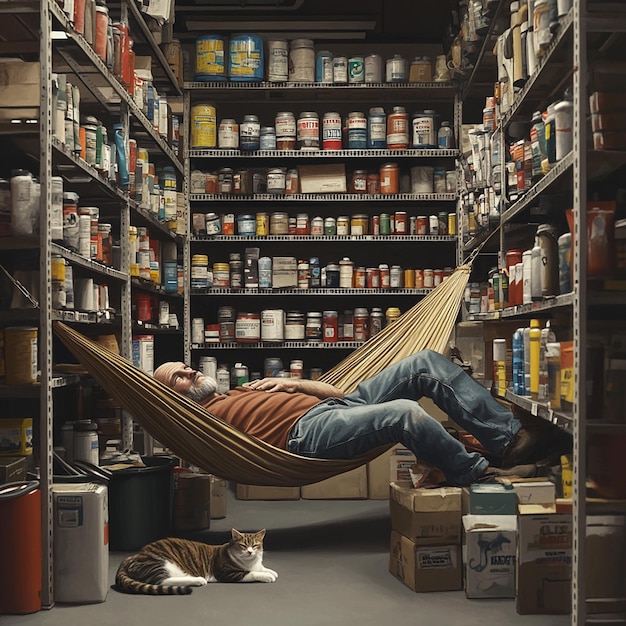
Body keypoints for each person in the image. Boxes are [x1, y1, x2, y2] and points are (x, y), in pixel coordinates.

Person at [153, 349, 571, 486]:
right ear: (173, 400)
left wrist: (294, 384)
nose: (190, 372)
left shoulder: (240, 391)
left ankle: (508, 441)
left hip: (336, 405)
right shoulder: (202, 422)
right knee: (405, 413)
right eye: (179, 378)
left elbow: (336, 393)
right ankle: (478, 473)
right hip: (306, 435)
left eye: (186, 368)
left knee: (424, 362)